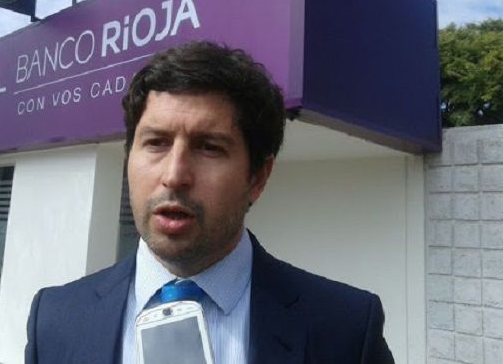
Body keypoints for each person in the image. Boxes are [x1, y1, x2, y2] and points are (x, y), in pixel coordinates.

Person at [25, 41, 394, 364]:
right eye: (156, 143)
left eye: (209, 148)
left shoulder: (346, 329)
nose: (174, 175)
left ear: (258, 177)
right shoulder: (54, 320)